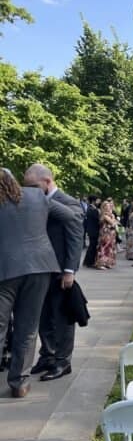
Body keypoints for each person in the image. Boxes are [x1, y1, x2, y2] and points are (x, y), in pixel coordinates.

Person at [0, 168, 79, 397]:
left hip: (5, 270)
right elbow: (70, 216)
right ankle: (19, 383)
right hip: (40, 267)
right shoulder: (36, 197)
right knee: (28, 327)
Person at [24, 164, 84, 382]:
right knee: (43, 316)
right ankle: (47, 356)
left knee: (62, 318)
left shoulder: (68, 203)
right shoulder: (34, 201)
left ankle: (62, 361)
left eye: (33, 186)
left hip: (60, 270)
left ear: (47, 181)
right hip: (39, 270)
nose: (29, 190)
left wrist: (70, 270)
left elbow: (76, 238)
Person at [95, 200, 118, 270]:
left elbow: (115, 222)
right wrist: (114, 220)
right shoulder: (104, 214)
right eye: (107, 206)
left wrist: (114, 219)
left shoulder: (111, 214)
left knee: (110, 247)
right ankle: (100, 263)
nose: (109, 207)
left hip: (111, 233)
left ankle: (108, 263)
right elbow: (113, 223)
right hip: (105, 232)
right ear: (104, 207)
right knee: (104, 247)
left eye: (109, 206)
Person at [82, 195, 101, 267]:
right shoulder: (91, 209)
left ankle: (88, 261)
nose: (99, 202)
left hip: (92, 230)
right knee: (92, 246)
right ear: (93, 201)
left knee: (92, 246)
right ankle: (89, 262)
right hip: (93, 230)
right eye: (98, 200)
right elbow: (97, 219)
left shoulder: (92, 208)